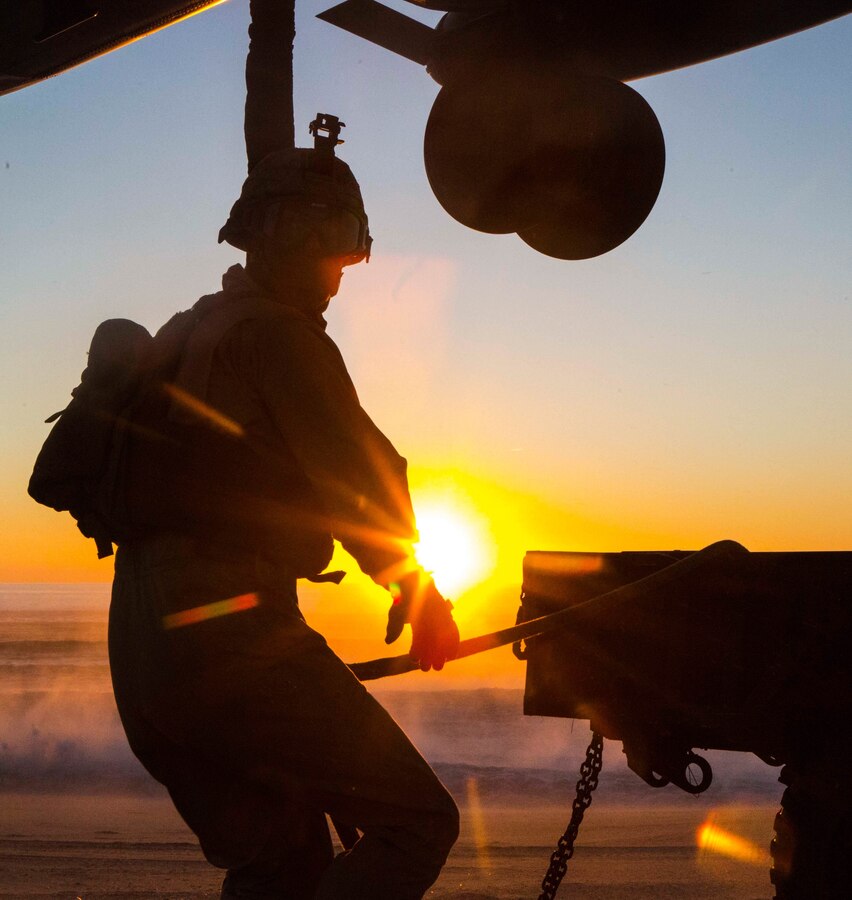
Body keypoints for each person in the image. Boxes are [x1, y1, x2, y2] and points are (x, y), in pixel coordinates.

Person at [107, 143, 461, 899]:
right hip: (231, 639)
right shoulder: (278, 336)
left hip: (140, 650)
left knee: (281, 859)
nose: (339, 279)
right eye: (337, 255)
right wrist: (417, 593)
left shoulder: (184, 332)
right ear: (300, 236)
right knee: (417, 823)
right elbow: (358, 478)